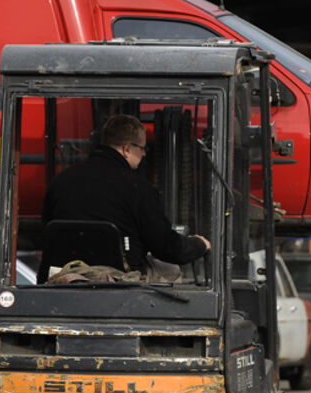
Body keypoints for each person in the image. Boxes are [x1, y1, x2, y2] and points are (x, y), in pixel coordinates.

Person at [42, 114, 211, 276]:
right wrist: (199, 245)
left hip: (63, 277)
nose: (145, 154)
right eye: (143, 148)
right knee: (171, 271)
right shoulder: (138, 188)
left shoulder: (60, 181)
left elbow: (46, 233)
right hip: (120, 284)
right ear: (127, 149)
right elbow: (166, 248)